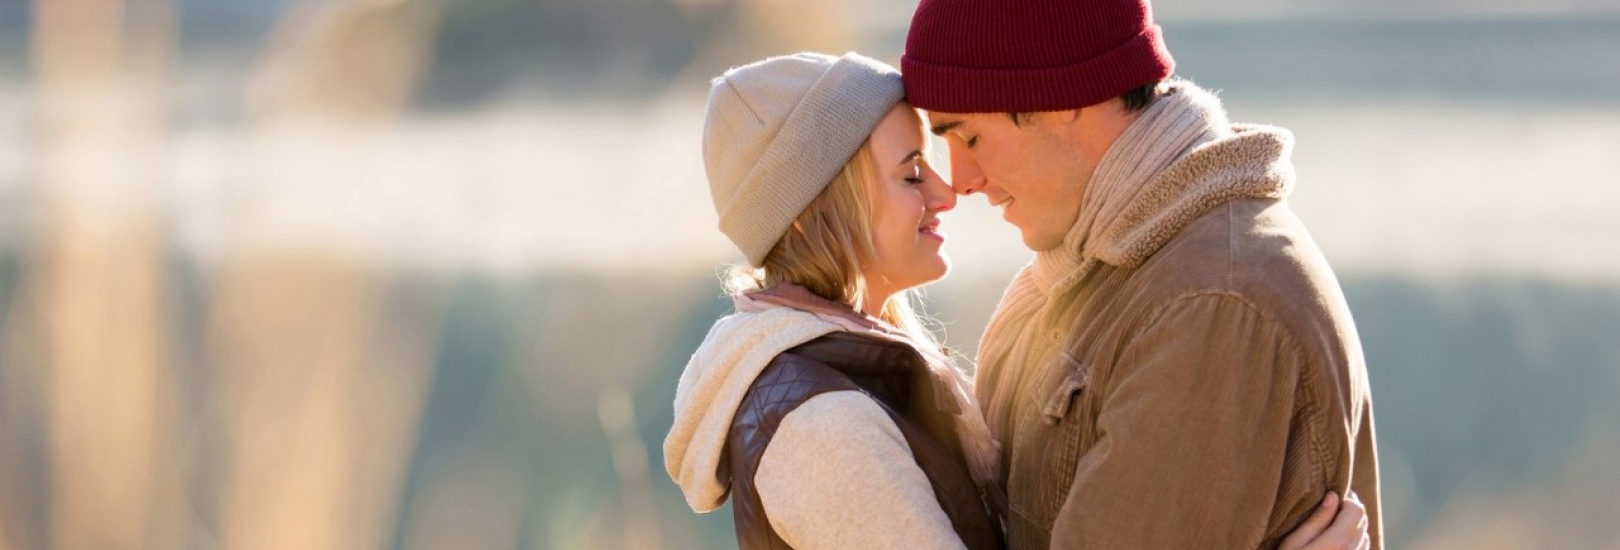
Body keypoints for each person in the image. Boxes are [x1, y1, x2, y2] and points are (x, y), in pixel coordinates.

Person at [663, 51, 1371, 550]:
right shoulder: (824, 429)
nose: (950, 189)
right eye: (912, 172)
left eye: (962, 140)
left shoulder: (870, 370)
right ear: (812, 213)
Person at [898, 0, 1385, 548]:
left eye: (969, 138)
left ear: (1060, 96)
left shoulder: (1210, 303)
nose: (960, 182)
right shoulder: (1084, 273)